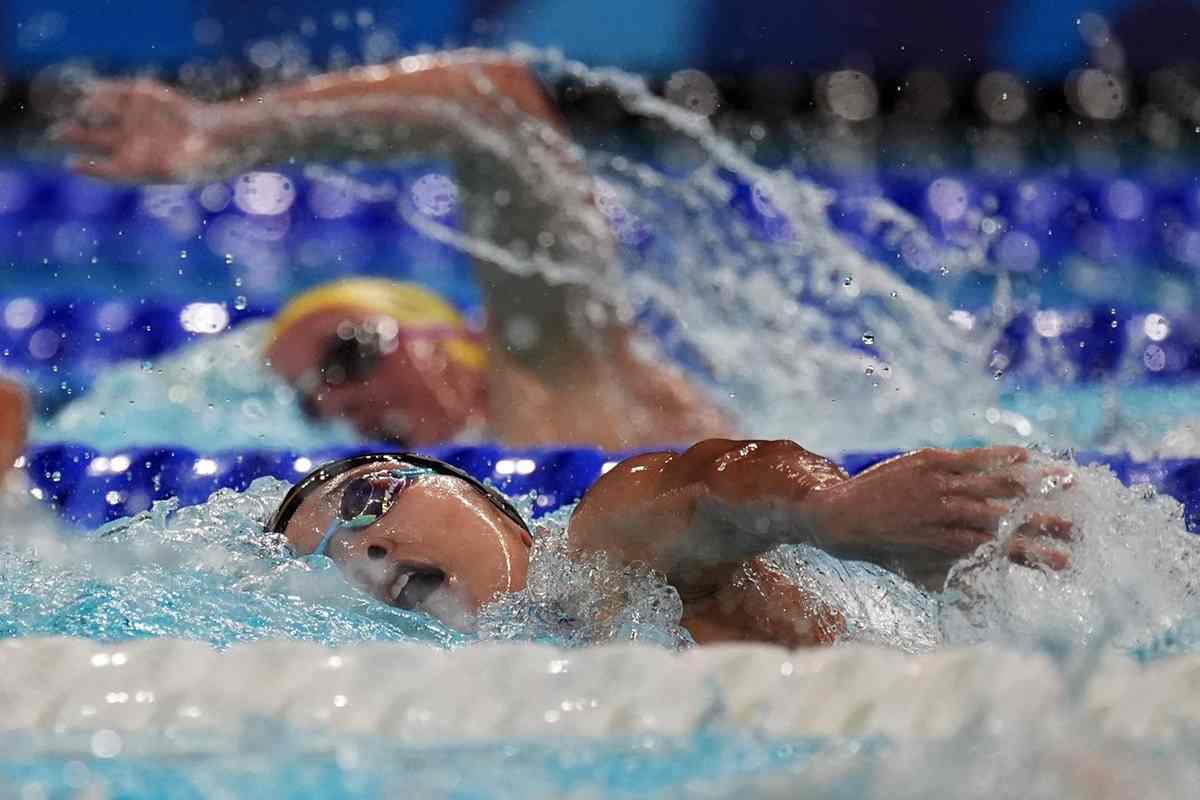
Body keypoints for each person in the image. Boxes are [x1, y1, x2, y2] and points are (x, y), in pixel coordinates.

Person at [54, 51, 729, 449]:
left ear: (454, 331)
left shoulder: (555, 364)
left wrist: (223, 135)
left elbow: (491, 100)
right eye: (312, 405)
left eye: (349, 353)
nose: (342, 402)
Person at [268, 441, 1071, 646]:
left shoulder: (596, 550)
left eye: (369, 502)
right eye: (330, 560)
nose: (365, 552)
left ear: (485, 496)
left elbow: (713, 481)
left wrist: (835, 511)